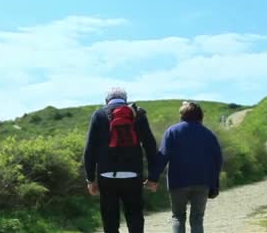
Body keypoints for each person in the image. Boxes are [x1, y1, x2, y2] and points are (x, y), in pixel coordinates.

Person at [83, 87, 158, 233]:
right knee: (135, 215)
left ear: (106, 101)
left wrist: (90, 179)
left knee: (110, 219)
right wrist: (153, 177)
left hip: (106, 176)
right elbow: (150, 146)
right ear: (125, 99)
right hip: (133, 175)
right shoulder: (138, 114)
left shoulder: (99, 115)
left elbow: (89, 150)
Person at [150, 101, 223, 233]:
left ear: (182, 115)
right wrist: (214, 184)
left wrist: (153, 179)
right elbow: (217, 161)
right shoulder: (209, 134)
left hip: (178, 182)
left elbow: (162, 156)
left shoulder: (172, 132)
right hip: (202, 182)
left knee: (178, 216)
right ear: (200, 116)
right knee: (197, 219)